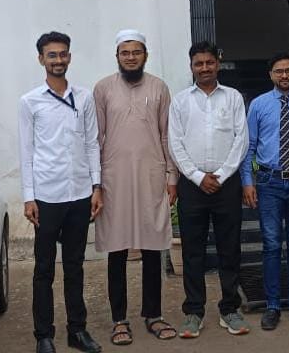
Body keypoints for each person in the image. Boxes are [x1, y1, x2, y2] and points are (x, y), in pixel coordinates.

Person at [18, 31, 103, 353]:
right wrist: (29, 196)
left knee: (74, 266)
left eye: (63, 54)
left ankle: (76, 331)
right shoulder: (30, 101)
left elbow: (92, 143)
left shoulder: (84, 97)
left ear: (69, 57)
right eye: (52, 55)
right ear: (41, 59)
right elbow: (26, 151)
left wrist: (96, 186)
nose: (58, 60)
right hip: (47, 196)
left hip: (79, 194)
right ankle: (44, 335)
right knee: (43, 269)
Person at [93, 29, 178, 345]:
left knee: (153, 246)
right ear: (117, 56)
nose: (131, 57)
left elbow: (167, 134)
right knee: (116, 249)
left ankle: (153, 315)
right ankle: (119, 320)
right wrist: (96, 183)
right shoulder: (103, 88)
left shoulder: (159, 87)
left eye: (136, 52)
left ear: (145, 55)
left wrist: (171, 177)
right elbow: (96, 138)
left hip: (151, 177)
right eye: (125, 53)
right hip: (114, 179)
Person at [168, 41, 250, 337]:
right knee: (193, 251)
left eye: (209, 62)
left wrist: (223, 174)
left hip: (226, 185)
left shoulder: (233, 97)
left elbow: (241, 139)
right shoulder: (180, 101)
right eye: (198, 64)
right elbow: (175, 142)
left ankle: (230, 309)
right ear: (191, 67)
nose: (204, 68)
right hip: (192, 187)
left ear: (218, 63)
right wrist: (196, 176)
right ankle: (194, 311)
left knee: (230, 249)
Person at [241, 53, 289, 331]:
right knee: (271, 244)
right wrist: (247, 182)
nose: (284, 75)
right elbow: (249, 146)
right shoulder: (258, 105)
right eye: (278, 71)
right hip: (268, 182)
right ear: (271, 75)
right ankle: (272, 305)